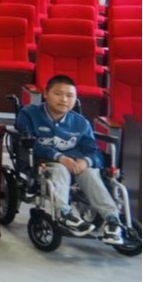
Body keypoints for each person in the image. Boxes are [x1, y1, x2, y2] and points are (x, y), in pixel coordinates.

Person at [16, 75, 125, 244]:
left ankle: (112, 219)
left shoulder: (80, 123)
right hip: (42, 162)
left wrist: (86, 161)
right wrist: (59, 157)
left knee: (90, 172)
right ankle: (64, 214)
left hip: (75, 164)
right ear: (46, 94)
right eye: (58, 94)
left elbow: (94, 151)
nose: (64, 99)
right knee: (59, 169)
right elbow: (29, 143)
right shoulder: (29, 113)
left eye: (70, 95)